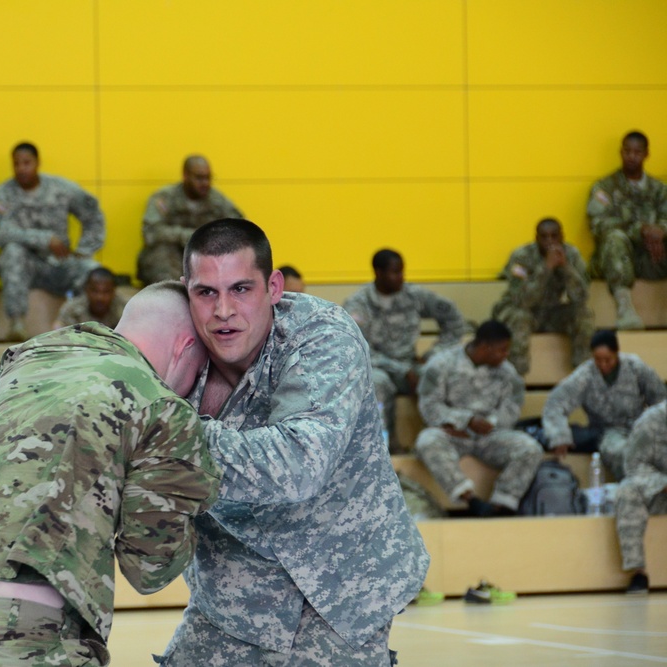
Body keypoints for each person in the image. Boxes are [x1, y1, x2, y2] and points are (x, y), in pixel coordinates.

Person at [0, 281, 221, 667]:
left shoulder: (29, 361)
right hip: (27, 641)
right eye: (200, 371)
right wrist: (193, 481)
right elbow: (149, 568)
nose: (193, 388)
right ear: (185, 347)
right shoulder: (163, 407)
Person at [158, 219, 429, 666]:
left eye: (241, 289)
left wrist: (167, 432)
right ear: (186, 290)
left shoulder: (323, 338)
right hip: (233, 593)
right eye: (207, 292)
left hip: (342, 589)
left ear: (274, 287)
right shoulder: (176, 349)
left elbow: (300, 463)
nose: (223, 310)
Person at [415, 320, 544, 517]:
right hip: (454, 434)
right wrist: (464, 421)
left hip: (490, 436)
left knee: (530, 448)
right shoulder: (441, 365)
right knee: (427, 440)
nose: (506, 354)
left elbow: (512, 408)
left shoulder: (508, 373)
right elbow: (429, 405)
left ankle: (501, 505)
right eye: (502, 349)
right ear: (485, 347)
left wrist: (489, 424)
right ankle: (471, 500)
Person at [344, 248, 466, 452]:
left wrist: (433, 356)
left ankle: (442, 443)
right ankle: (381, 448)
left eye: (402, 271)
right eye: (394, 272)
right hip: (377, 367)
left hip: (410, 364)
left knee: (437, 374)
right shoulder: (359, 304)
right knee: (376, 382)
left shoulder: (413, 295)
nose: (401, 277)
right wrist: (400, 370)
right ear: (378, 272)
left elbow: (453, 319)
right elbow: (357, 348)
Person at [0, 142, 105, 341]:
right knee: (12, 251)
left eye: (27, 163)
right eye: (16, 164)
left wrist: (85, 249)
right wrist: (45, 239)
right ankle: (17, 324)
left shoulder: (61, 188)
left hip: (59, 264)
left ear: (37, 163)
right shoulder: (1, 195)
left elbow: (93, 214)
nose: (21, 169)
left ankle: (85, 328)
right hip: (24, 266)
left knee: (92, 269)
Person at [542, 330, 666, 481]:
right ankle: (638, 490)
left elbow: (660, 399)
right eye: (598, 360)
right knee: (623, 453)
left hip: (639, 426)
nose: (603, 365)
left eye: (608, 359)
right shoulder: (585, 375)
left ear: (617, 353)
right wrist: (559, 435)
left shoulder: (635, 367)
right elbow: (556, 403)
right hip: (608, 432)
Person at [492, 217, 594, 375]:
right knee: (520, 317)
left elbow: (581, 297)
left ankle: (582, 373)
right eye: (544, 237)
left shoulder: (571, 254)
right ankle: (516, 376)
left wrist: (566, 268)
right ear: (536, 238)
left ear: (562, 237)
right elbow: (523, 301)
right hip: (520, 310)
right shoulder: (522, 256)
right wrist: (546, 267)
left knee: (583, 314)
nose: (550, 241)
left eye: (554, 236)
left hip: (550, 311)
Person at [587, 131, 667, 330]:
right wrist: (640, 230)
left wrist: (661, 229)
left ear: (646, 154)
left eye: (637, 152)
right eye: (627, 151)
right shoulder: (605, 188)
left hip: (651, 258)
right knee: (615, 237)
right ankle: (625, 309)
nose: (632, 156)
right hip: (614, 259)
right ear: (621, 152)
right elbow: (597, 223)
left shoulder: (659, 190)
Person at [136, 155, 243, 285]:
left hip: (205, 256)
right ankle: (169, 292)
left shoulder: (217, 201)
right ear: (185, 176)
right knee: (161, 253)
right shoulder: (165, 198)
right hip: (170, 258)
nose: (205, 183)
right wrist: (187, 236)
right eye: (199, 178)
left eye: (208, 178)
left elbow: (239, 230)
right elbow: (151, 232)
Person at [615, 400, 667, 595]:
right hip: (660, 493)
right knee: (628, 491)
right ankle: (638, 572)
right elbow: (634, 466)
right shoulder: (651, 421)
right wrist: (662, 483)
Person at [51, 266, 127, 330]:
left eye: (106, 291)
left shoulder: (125, 308)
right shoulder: (72, 309)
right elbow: (58, 328)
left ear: (114, 291)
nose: (100, 297)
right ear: (86, 290)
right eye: (94, 291)